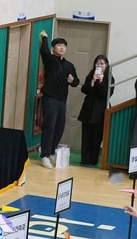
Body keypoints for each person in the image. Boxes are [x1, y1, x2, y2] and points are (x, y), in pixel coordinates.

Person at [38, 33, 78, 168]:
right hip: (50, 99)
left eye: (64, 46)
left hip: (62, 100)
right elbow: (43, 50)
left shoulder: (69, 65)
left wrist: (72, 81)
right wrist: (44, 38)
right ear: (53, 48)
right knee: (49, 126)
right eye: (59, 45)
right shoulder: (49, 60)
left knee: (59, 127)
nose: (61, 48)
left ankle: (51, 152)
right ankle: (44, 155)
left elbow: (76, 81)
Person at [76, 55, 112, 167]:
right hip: (88, 109)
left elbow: (106, 94)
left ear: (106, 65)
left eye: (102, 63)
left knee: (97, 137)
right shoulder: (90, 75)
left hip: (100, 110)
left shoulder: (109, 78)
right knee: (86, 136)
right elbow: (85, 90)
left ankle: (93, 159)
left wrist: (101, 81)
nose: (99, 65)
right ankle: (84, 159)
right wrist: (92, 81)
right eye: (98, 63)